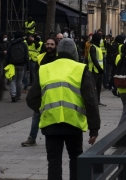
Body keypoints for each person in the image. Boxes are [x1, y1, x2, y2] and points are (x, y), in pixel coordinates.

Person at [26, 37, 100, 180]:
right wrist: (94, 128)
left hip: (51, 123)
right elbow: (91, 101)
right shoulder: (80, 68)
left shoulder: (45, 68)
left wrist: (44, 110)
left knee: (53, 161)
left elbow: (31, 99)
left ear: (58, 51)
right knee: (76, 158)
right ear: (74, 52)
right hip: (73, 123)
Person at [22, 37, 59, 147]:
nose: (49, 46)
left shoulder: (59, 58)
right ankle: (32, 138)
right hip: (43, 90)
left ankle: (57, 138)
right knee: (36, 114)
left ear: (56, 45)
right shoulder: (40, 57)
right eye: (47, 44)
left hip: (56, 90)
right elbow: (37, 74)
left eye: (52, 44)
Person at [5, 32, 28, 103]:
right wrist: (27, 67)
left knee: (13, 80)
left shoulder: (11, 44)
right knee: (19, 80)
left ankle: (13, 94)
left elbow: (8, 55)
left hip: (12, 64)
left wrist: (6, 64)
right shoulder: (24, 44)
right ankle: (18, 95)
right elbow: (26, 56)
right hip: (21, 64)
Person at [87, 33, 106, 106]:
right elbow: (94, 59)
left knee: (98, 87)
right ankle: (94, 101)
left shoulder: (98, 47)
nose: (101, 40)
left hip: (99, 70)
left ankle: (98, 100)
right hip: (94, 70)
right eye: (100, 38)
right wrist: (99, 68)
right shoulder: (93, 47)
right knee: (93, 87)